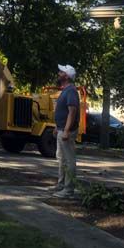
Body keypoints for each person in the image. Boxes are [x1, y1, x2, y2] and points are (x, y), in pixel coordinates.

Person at [52, 63, 80, 197]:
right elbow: (63, 111)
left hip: (66, 131)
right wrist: (57, 127)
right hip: (61, 129)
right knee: (62, 159)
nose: (59, 73)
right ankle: (61, 185)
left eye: (61, 72)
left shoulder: (71, 91)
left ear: (67, 76)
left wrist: (67, 130)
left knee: (69, 160)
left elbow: (72, 112)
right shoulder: (65, 90)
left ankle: (68, 190)